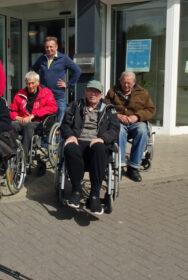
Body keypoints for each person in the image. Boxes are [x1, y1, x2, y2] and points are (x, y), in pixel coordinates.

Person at [60, 80, 120, 215]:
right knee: (69, 147)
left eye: (96, 92)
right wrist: (70, 135)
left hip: (97, 142)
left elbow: (115, 129)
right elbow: (65, 124)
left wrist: (102, 138)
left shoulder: (109, 109)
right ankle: (76, 191)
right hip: (78, 140)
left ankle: (94, 195)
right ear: (85, 91)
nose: (93, 94)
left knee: (99, 147)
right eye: (90, 90)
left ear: (101, 94)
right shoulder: (75, 105)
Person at [105, 71, 156, 182]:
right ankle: (119, 165)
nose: (126, 85)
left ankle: (133, 167)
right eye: (124, 82)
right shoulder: (112, 92)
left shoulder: (143, 93)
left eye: (129, 83)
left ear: (134, 83)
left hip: (136, 122)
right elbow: (105, 107)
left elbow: (150, 109)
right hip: (119, 121)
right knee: (119, 131)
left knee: (142, 130)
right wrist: (117, 115)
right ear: (120, 81)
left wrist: (137, 116)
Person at [31, 36, 81, 123]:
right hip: (44, 97)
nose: (49, 49)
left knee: (60, 123)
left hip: (58, 97)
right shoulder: (42, 58)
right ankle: (46, 137)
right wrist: (37, 83)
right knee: (44, 122)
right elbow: (33, 70)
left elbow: (77, 71)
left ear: (56, 47)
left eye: (51, 46)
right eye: (47, 47)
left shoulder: (64, 58)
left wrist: (68, 84)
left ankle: (59, 137)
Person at [9, 71, 58, 157]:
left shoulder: (46, 93)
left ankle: (23, 157)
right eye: (28, 84)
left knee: (28, 126)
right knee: (11, 124)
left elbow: (53, 107)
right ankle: (11, 154)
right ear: (25, 82)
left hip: (39, 122)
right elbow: (11, 109)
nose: (30, 86)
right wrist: (16, 117)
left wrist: (34, 115)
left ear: (38, 82)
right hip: (22, 121)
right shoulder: (20, 94)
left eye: (32, 83)